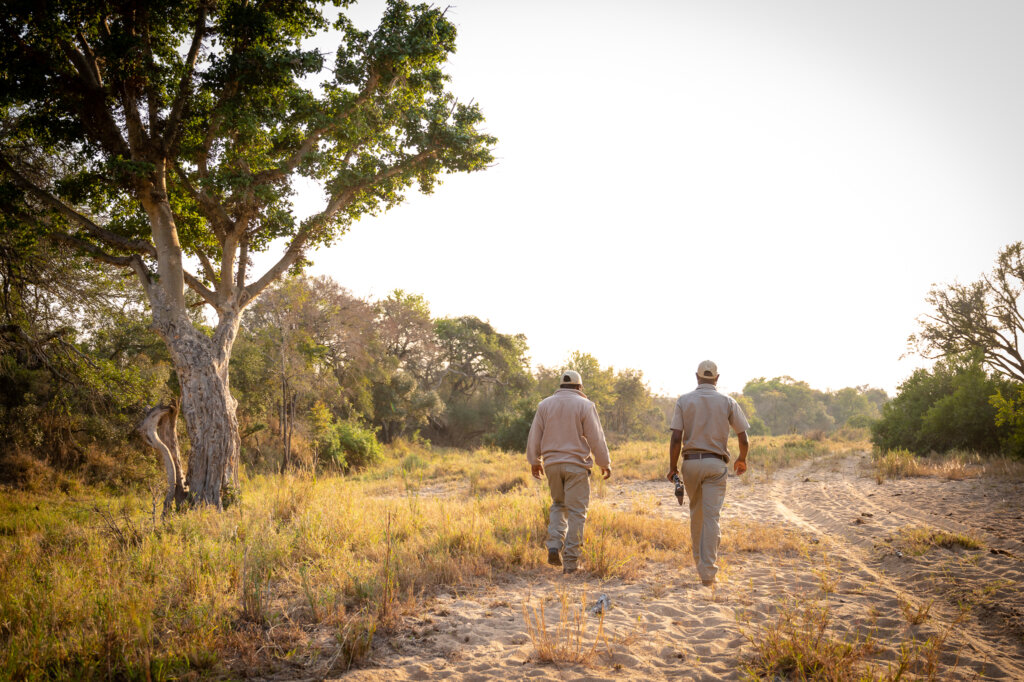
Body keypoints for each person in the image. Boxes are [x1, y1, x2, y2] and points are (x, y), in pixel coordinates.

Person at [666, 360, 750, 587]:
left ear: (697, 377)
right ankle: (708, 572)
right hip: (716, 464)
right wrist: (742, 459)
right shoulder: (728, 402)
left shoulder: (684, 401)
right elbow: (743, 437)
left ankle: (699, 563)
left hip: (691, 463)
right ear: (717, 378)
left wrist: (673, 468)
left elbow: (675, 438)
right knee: (712, 517)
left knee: (697, 514)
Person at [527, 369, 612, 574]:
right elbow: (596, 437)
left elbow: (534, 434)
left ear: (560, 385)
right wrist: (604, 462)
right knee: (576, 512)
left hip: (552, 465)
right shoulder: (585, 405)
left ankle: (555, 543)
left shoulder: (544, 405)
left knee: (558, 505)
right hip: (577, 466)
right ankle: (571, 562)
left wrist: (534, 460)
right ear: (579, 387)